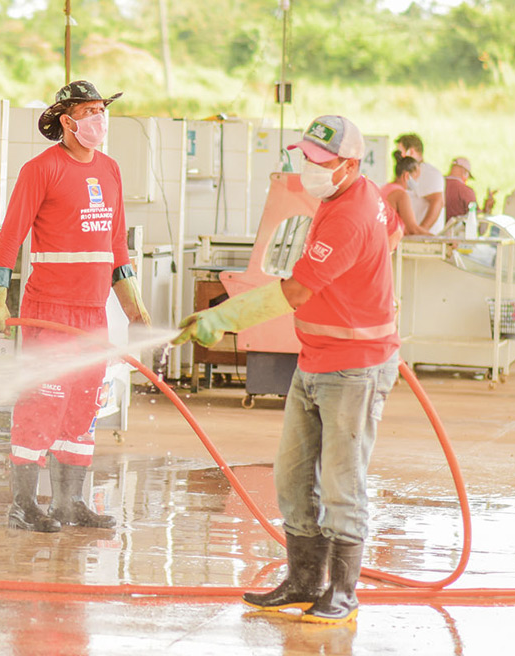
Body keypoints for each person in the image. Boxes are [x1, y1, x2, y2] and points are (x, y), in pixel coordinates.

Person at [173, 115, 400, 625]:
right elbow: (395, 235)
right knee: (294, 476)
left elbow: (295, 291)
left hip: (355, 368)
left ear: (349, 164)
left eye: (320, 163)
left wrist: (225, 316)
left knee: (343, 482)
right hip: (316, 357)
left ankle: (342, 593)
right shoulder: (349, 198)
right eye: (306, 158)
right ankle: (302, 582)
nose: (309, 170)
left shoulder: (351, 214)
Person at [0, 80, 151, 533]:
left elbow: (117, 244)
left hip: (93, 314)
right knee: (41, 406)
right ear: (67, 121)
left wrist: (131, 302)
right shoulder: (41, 169)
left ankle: (70, 503)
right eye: (90, 111)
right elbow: (10, 238)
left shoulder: (110, 170)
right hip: (49, 312)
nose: (99, 119)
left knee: (82, 406)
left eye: (101, 110)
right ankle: (23, 505)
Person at [395, 133, 445, 233]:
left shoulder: (427, 172)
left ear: (411, 151)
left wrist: (421, 230)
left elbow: (437, 202)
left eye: (400, 152)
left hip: (423, 240)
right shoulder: (409, 172)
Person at [381, 153, 430, 237]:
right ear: (407, 175)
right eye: (416, 177)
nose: (417, 181)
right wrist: (438, 238)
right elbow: (413, 229)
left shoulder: (385, 188)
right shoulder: (401, 195)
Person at [443, 156, 480, 221]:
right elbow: (476, 218)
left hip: (433, 229)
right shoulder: (466, 191)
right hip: (455, 230)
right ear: (465, 173)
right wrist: (486, 209)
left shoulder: (436, 183)